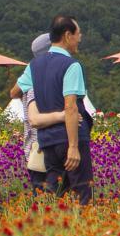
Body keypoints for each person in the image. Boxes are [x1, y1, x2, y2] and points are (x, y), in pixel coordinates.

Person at [15, 15, 95, 204]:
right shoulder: (71, 65)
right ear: (67, 35)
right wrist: (74, 147)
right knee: (82, 191)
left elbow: (15, 90)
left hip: (47, 140)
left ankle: (46, 226)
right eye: (78, 33)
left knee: (53, 192)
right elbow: (70, 106)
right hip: (70, 137)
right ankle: (85, 229)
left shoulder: (34, 65)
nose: (80, 38)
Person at [9, 33, 58, 190]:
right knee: (49, 190)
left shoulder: (34, 69)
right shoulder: (37, 70)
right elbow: (14, 92)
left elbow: (14, 93)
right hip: (43, 143)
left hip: (36, 144)